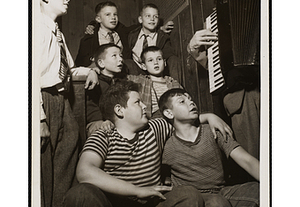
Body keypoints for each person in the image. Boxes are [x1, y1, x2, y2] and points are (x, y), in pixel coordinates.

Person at [62, 80, 204, 207]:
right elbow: (84, 171)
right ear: (119, 110)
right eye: (137, 102)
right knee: (80, 194)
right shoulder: (103, 136)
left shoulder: (154, 128)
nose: (144, 105)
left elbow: (182, 120)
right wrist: (136, 190)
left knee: (188, 194)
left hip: (152, 206)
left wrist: (210, 117)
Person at [187, 0, 260, 161]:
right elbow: (214, 67)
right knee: (254, 160)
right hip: (240, 98)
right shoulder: (212, 21)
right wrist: (194, 50)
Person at [39, 0, 99, 207]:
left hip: (62, 100)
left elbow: (67, 70)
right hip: (44, 99)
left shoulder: (58, 33)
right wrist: (40, 117)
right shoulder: (36, 28)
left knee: (69, 149)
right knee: (43, 163)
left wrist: (89, 71)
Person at [86, 44, 233, 138]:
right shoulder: (137, 80)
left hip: (172, 119)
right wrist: (92, 70)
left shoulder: (173, 83)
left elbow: (184, 106)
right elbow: (110, 76)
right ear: (143, 66)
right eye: (150, 60)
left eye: (159, 59)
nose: (156, 63)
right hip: (152, 121)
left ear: (165, 62)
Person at [159, 88, 260, 207]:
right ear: (169, 113)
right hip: (191, 199)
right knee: (217, 203)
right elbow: (165, 178)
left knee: (258, 190)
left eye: (190, 99)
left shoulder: (212, 130)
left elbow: (246, 160)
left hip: (221, 191)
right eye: (182, 101)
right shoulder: (169, 146)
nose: (191, 102)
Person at [127, 3, 182, 83]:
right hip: (138, 70)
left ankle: (175, 90)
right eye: (148, 16)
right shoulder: (132, 35)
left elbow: (168, 54)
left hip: (155, 70)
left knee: (174, 59)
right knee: (128, 63)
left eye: (155, 16)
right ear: (140, 19)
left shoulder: (162, 37)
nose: (152, 19)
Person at [75, 1, 134, 67]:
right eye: (108, 14)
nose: (113, 17)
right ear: (98, 19)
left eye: (115, 14)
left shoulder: (123, 34)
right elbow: (81, 64)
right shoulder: (89, 40)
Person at [85, 43, 126, 137]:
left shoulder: (120, 82)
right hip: (97, 121)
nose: (120, 59)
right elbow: (91, 106)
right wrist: (100, 121)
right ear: (101, 63)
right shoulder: (96, 81)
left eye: (121, 56)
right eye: (114, 56)